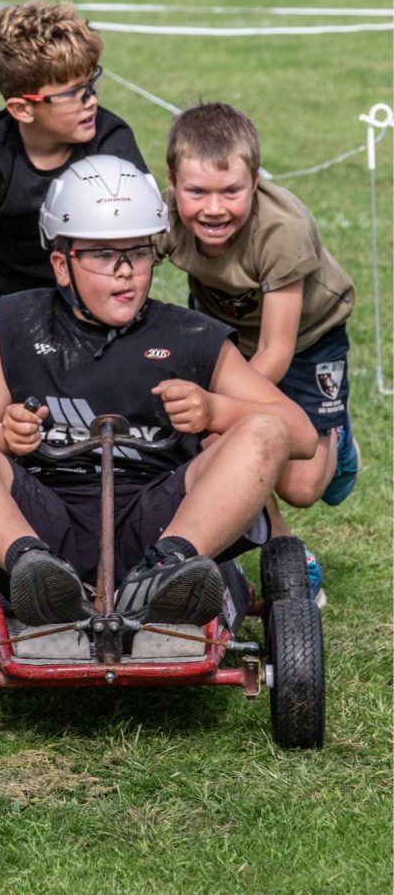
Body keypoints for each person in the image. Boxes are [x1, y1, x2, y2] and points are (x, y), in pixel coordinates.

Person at [0, 156, 317, 627]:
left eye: (138, 253)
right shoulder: (20, 324)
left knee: (264, 428)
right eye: (104, 255)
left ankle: (169, 572)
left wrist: (215, 410)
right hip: (43, 517)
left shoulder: (191, 335)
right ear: (62, 266)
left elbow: (301, 435)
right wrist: (2, 437)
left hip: (161, 517)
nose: (125, 271)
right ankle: (33, 572)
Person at [159, 102, 360, 606]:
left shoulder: (281, 231)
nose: (214, 208)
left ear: (255, 181)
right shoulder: (161, 217)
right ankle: (285, 545)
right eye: (197, 192)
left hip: (306, 338)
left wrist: (222, 406)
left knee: (304, 486)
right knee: (219, 438)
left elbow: (276, 348)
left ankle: (335, 431)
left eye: (231, 191)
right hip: (224, 333)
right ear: (172, 182)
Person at [0, 0, 152, 366]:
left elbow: (140, 248)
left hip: (92, 294)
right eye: (72, 93)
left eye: (91, 83)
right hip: (2, 300)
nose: (90, 101)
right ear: (22, 109)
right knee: (8, 391)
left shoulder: (112, 141)